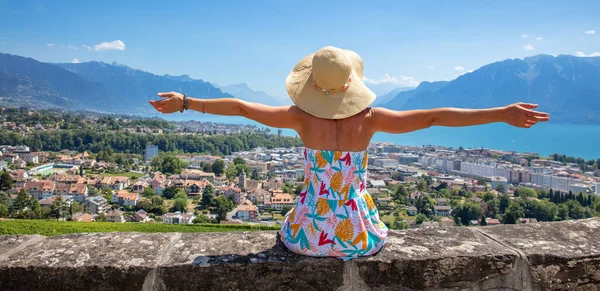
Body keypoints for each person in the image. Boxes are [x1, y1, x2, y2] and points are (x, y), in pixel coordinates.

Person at [149, 46, 550, 260]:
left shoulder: (299, 118)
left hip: (308, 232)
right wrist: (501, 113)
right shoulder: (371, 119)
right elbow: (433, 118)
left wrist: (185, 102)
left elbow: (238, 107)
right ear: (351, 84)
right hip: (357, 233)